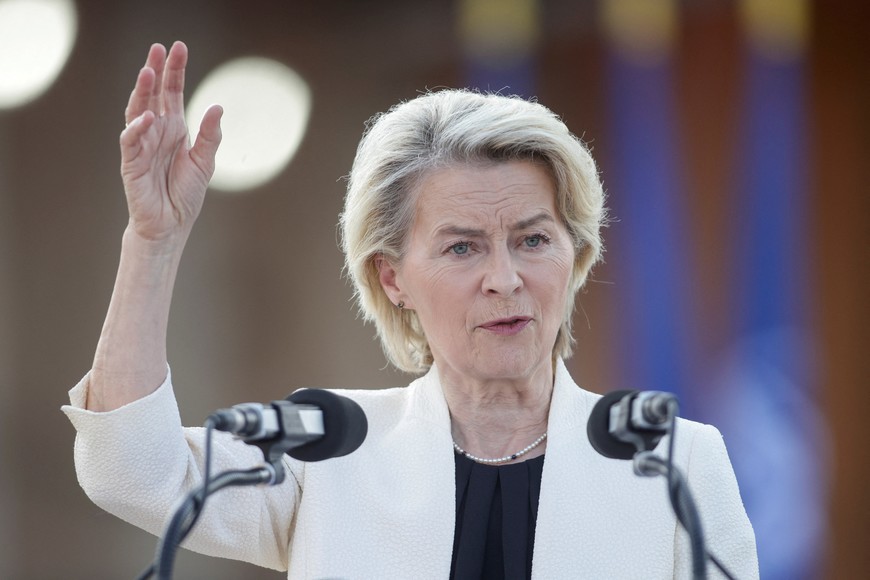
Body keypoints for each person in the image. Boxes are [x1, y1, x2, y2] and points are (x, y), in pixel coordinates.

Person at [63, 41, 758, 579]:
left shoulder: (676, 464)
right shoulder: (330, 451)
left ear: (574, 256)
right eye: (462, 248)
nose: (505, 278)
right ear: (392, 276)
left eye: (533, 240)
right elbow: (131, 468)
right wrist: (153, 243)